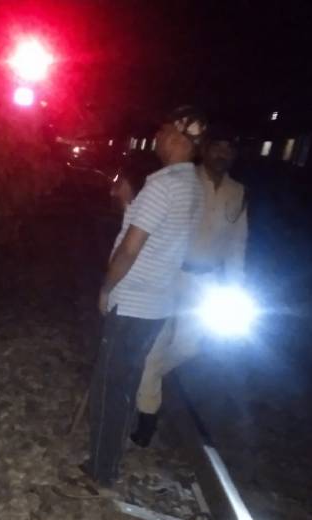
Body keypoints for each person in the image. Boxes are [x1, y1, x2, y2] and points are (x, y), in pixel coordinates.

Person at [79, 106, 207, 492]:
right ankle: (112, 457)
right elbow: (154, 232)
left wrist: (106, 288)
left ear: (179, 137)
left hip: (133, 301)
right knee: (126, 382)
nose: (158, 136)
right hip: (157, 303)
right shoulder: (191, 186)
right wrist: (127, 203)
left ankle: (101, 471)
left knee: (109, 389)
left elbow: (130, 249)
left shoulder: (164, 185)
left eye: (164, 129)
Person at [130, 127, 249, 447]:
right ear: (204, 148)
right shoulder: (185, 180)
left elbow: (237, 245)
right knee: (157, 346)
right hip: (171, 273)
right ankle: (147, 415)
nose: (222, 153)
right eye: (216, 146)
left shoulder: (238, 192)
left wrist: (235, 289)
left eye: (229, 147)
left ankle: (145, 380)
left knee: (190, 346)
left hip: (206, 283)